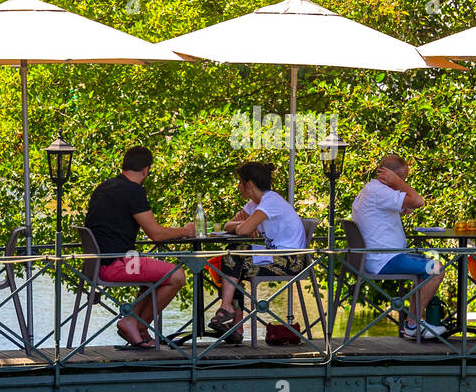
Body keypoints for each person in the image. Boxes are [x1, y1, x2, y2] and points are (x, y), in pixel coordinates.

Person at [83, 145, 193, 348]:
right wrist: (186, 230)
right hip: (115, 264)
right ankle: (135, 323)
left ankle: (137, 326)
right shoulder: (133, 191)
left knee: (154, 277)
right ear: (146, 170)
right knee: (177, 276)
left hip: (96, 265)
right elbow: (156, 234)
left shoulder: (104, 187)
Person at [207, 162, 309, 343]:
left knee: (234, 257)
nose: (238, 187)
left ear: (250, 184)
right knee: (229, 259)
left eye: (240, 182)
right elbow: (228, 226)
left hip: (291, 260)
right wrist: (244, 225)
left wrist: (246, 226)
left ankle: (227, 310)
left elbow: (241, 230)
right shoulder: (255, 204)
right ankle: (235, 324)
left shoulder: (271, 201)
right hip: (274, 255)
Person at [350, 153, 446, 340]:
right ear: (387, 176)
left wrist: (400, 208)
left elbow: (378, 216)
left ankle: (413, 323)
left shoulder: (370, 190)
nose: (403, 183)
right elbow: (418, 201)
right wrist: (398, 183)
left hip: (380, 257)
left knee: (426, 268)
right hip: (385, 259)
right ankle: (412, 325)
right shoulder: (380, 191)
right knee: (437, 269)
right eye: (402, 178)